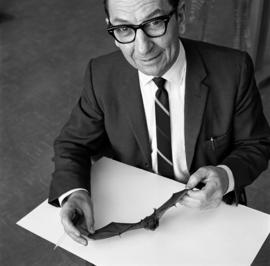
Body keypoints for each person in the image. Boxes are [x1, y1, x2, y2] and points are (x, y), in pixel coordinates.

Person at [48, 0, 270, 246]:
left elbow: (256, 144)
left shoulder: (233, 70)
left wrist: (226, 176)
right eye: (124, 29)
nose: (142, 48)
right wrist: (74, 193)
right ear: (111, 28)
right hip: (133, 211)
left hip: (208, 211)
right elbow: (72, 144)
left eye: (154, 23)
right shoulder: (100, 75)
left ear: (181, 17)